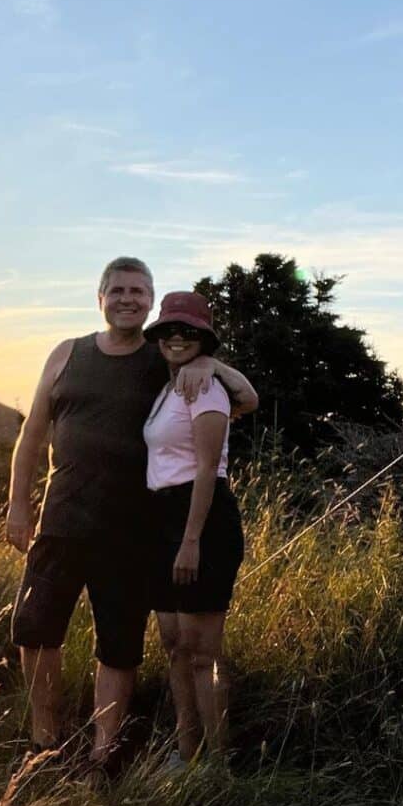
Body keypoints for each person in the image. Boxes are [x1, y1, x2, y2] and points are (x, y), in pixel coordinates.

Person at [6, 258, 257, 767]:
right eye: (117, 290)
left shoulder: (164, 358)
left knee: (119, 644)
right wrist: (16, 502)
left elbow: (243, 398)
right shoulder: (65, 355)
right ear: (99, 298)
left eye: (138, 291)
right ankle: (43, 743)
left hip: (132, 530)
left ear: (149, 301)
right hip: (61, 520)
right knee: (35, 628)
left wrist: (211, 364)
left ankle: (105, 754)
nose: (127, 298)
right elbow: (32, 433)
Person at [142, 291, 249, 765]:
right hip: (162, 518)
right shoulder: (171, 386)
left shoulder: (206, 386)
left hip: (200, 519)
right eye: (169, 330)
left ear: (204, 338)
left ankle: (217, 766)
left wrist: (190, 542)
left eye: (188, 331)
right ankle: (187, 751)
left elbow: (207, 468)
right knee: (174, 645)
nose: (177, 338)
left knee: (202, 651)